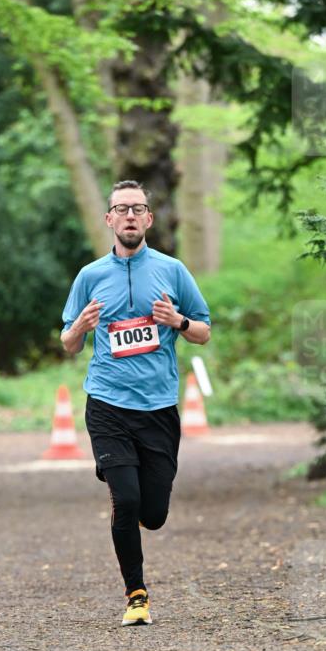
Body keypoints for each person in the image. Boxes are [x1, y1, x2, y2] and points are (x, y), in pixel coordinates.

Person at [61, 180, 211, 626]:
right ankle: (136, 595)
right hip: (107, 403)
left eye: (138, 209)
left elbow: (202, 330)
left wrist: (178, 320)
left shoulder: (173, 270)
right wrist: (81, 327)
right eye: (121, 209)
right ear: (109, 219)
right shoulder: (89, 276)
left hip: (159, 407)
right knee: (125, 501)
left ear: (148, 219)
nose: (129, 216)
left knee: (154, 515)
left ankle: (134, 497)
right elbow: (68, 342)